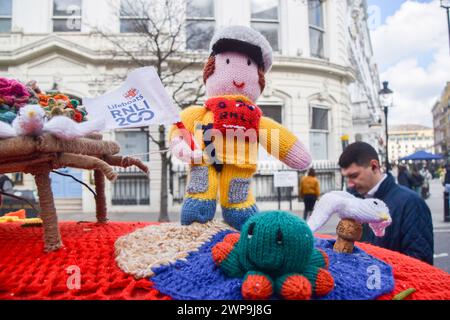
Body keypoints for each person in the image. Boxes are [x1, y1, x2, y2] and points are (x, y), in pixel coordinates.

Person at [338, 142, 434, 265]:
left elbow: (420, 264)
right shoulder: (353, 202)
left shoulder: (411, 203)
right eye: (346, 177)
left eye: (354, 176)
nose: (350, 184)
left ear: (374, 166)